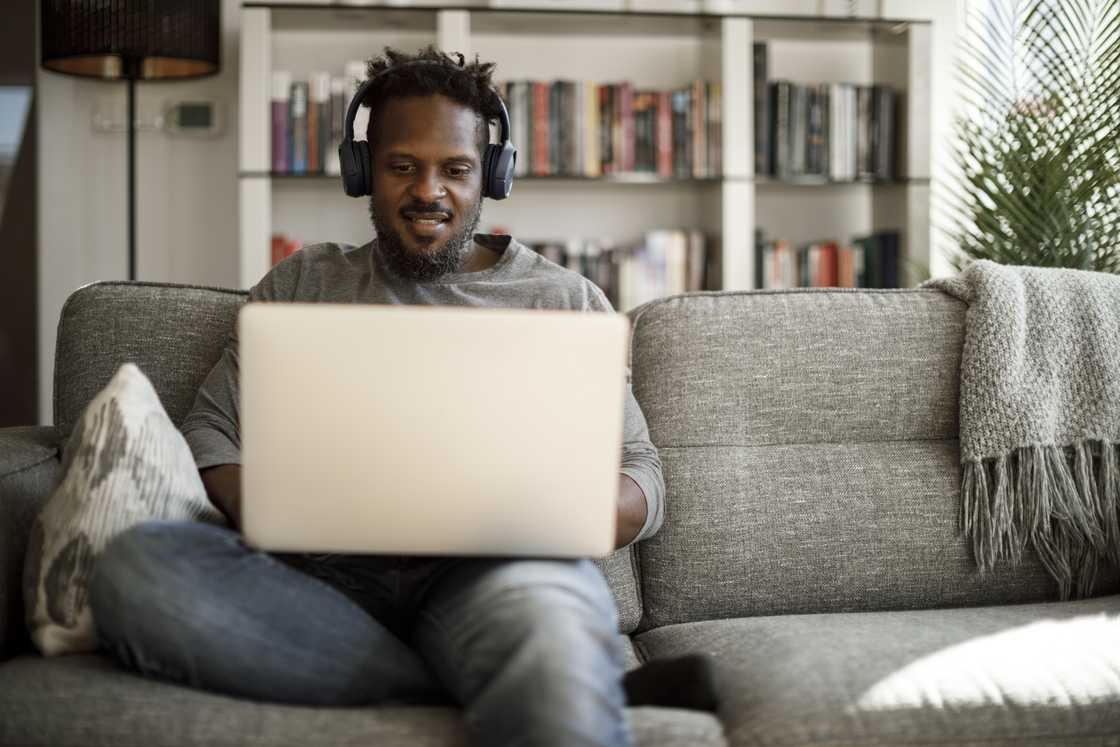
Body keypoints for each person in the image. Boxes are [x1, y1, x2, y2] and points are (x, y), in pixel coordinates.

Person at [88, 46, 712, 747]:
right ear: (363, 172)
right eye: (402, 166)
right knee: (135, 568)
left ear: (491, 178)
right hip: (320, 582)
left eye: (455, 169)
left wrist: (571, 511)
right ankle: (530, 678)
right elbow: (211, 432)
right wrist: (275, 508)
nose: (428, 191)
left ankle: (542, 664)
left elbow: (644, 477)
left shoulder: (565, 299)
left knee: (550, 615)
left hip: (496, 574)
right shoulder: (304, 283)